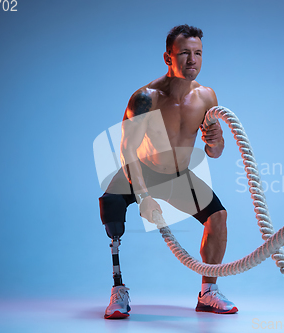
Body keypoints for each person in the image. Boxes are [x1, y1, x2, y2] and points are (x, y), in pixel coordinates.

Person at [98, 24, 238, 319]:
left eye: (198, 53)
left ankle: (208, 292)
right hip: (140, 171)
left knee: (218, 217)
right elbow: (126, 151)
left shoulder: (206, 97)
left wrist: (217, 142)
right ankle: (118, 290)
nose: (192, 60)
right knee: (111, 206)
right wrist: (144, 196)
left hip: (177, 177)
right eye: (184, 53)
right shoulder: (145, 98)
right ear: (168, 58)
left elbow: (214, 152)